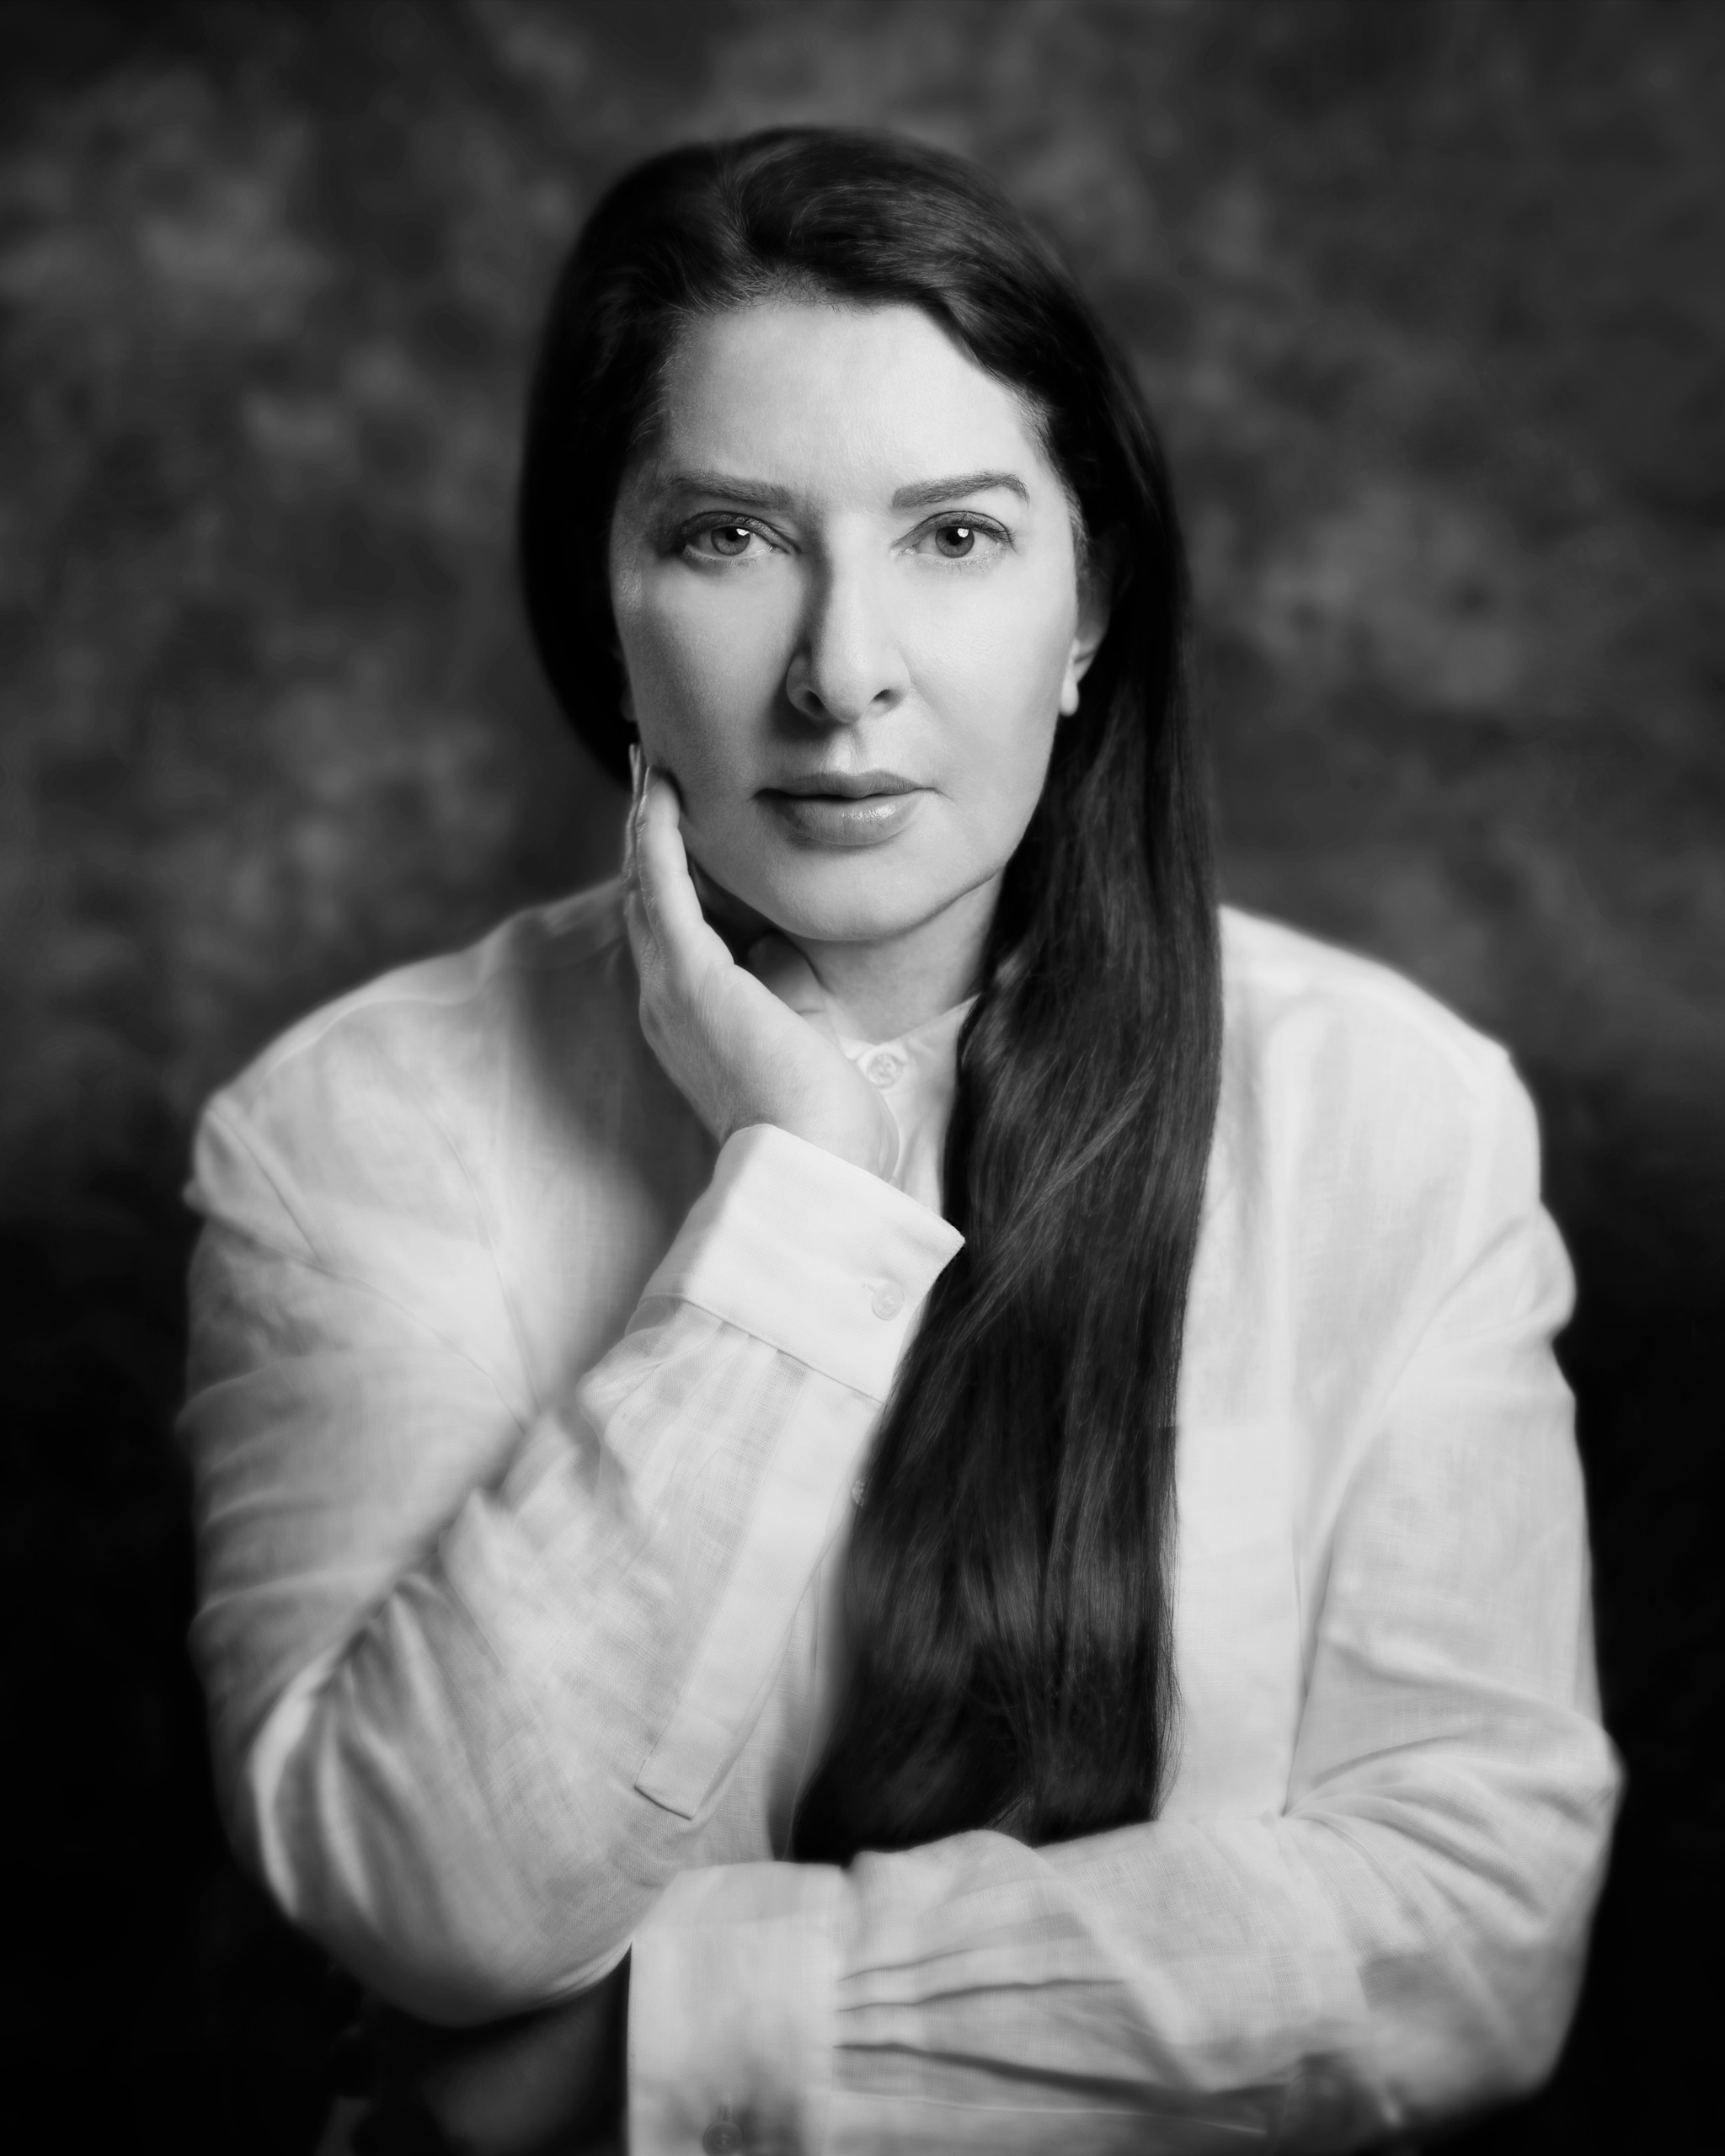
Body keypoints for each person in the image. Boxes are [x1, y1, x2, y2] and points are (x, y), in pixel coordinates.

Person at [179, 129, 1619, 2154]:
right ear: (607, 610)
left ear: (1088, 600)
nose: (839, 670)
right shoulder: (354, 1129)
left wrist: (659, 2053)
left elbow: (1472, 1930)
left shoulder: (1387, 1110)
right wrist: (806, 1207)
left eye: (951, 537)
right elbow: (438, 1903)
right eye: (727, 537)